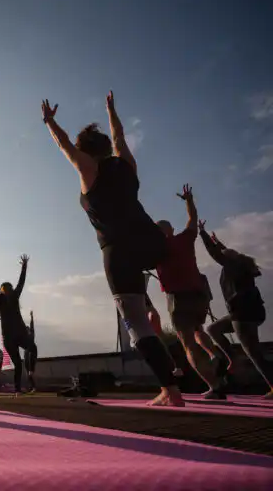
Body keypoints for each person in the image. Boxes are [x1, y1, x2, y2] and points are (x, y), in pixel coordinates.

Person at [41, 92, 183, 407]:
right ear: (108, 149)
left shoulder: (89, 170)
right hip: (151, 243)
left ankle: (170, 389)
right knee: (146, 316)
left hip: (120, 251)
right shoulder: (127, 166)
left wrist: (50, 121)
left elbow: (64, 145)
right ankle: (174, 370)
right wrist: (111, 111)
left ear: (87, 152)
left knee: (137, 325)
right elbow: (119, 138)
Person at [154, 185, 226, 398]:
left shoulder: (156, 250)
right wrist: (188, 199)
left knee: (187, 342)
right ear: (171, 230)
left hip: (177, 298)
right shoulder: (185, 239)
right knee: (198, 329)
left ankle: (215, 387)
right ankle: (214, 354)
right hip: (198, 294)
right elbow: (193, 218)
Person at [199, 221, 273, 399]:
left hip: (243, 314)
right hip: (251, 313)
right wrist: (218, 242)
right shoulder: (240, 264)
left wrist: (203, 233)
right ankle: (233, 357)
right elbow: (226, 252)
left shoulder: (232, 266)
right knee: (213, 329)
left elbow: (216, 253)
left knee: (253, 352)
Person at [0, 255, 37, 395]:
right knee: (18, 363)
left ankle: (30, 372)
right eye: (5, 289)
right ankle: (18, 388)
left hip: (17, 334)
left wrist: (24, 267)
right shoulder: (0, 300)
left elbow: (21, 282)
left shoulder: (13, 296)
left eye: (8, 289)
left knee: (32, 347)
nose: (7, 291)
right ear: (3, 291)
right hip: (10, 337)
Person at [24, 311, 38, 393]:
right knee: (27, 371)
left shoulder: (31, 334)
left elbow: (32, 326)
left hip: (32, 351)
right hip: (27, 352)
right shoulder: (24, 337)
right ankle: (31, 387)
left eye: (28, 329)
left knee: (30, 372)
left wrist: (31, 317)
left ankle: (33, 387)